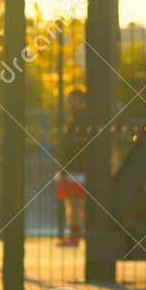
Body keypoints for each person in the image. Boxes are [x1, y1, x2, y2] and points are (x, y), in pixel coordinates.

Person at [55, 88, 87, 248]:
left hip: (77, 169)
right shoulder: (72, 120)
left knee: (74, 205)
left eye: (73, 100)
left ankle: (74, 236)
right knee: (72, 204)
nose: (69, 103)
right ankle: (72, 235)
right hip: (71, 169)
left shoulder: (80, 121)